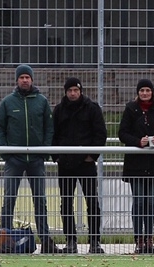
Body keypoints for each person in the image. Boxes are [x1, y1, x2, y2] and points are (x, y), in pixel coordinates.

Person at [0, 64, 60, 254]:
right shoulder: (7, 102)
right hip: (14, 160)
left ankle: (46, 240)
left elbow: (49, 127)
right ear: (17, 79)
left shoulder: (41, 101)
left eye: (27, 77)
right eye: (21, 77)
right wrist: (6, 152)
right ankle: (3, 241)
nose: (25, 80)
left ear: (32, 79)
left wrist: (44, 150)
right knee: (9, 200)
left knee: (40, 200)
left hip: (36, 161)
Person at [52, 77, 107, 254]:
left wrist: (92, 156)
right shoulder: (59, 110)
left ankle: (95, 242)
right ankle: (70, 241)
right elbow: (54, 134)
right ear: (65, 92)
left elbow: (100, 133)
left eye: (76, 90)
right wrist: (56, 156)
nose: (73, 93)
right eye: (70, 90)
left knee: (92, 202)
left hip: (86, 164)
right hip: (65, 164)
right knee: (66, 203)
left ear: (81, 91)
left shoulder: (92, 108)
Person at [118, 78, 154, 254]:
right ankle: (138, 239)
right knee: (139, 201)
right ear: (138, 92)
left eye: (148, 90)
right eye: (142, 90)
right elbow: (122, 133)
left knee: (149, 202)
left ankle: (149, 238)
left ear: (152, 92)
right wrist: (137, 142)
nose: (145, 93)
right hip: (136, 164)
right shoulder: (130, 109)